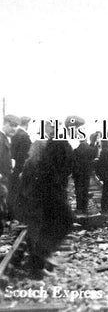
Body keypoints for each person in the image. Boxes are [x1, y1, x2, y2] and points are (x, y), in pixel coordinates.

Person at [20, 118, 74, 278]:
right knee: (64, 220)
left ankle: (39, 261)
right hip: (48, 192)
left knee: (51, 224)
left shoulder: (52, 143)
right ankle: (38, 260)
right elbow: (51, 169)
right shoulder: (54, 144)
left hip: (45, 191)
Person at [0, 115, 21, 231]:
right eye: (11, 125)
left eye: (16, 126)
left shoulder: (5, 138)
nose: (14, 129)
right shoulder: (0, 138)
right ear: (5, 124)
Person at [72, 138, 97, 213]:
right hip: (87, 172)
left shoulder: (76, 150)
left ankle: (79, 208)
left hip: (78, 174)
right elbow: (94, 155)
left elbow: (73, 162)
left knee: (78, 190)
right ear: (86, 141)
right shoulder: (90, 149)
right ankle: (84, 208)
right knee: (85, 189)